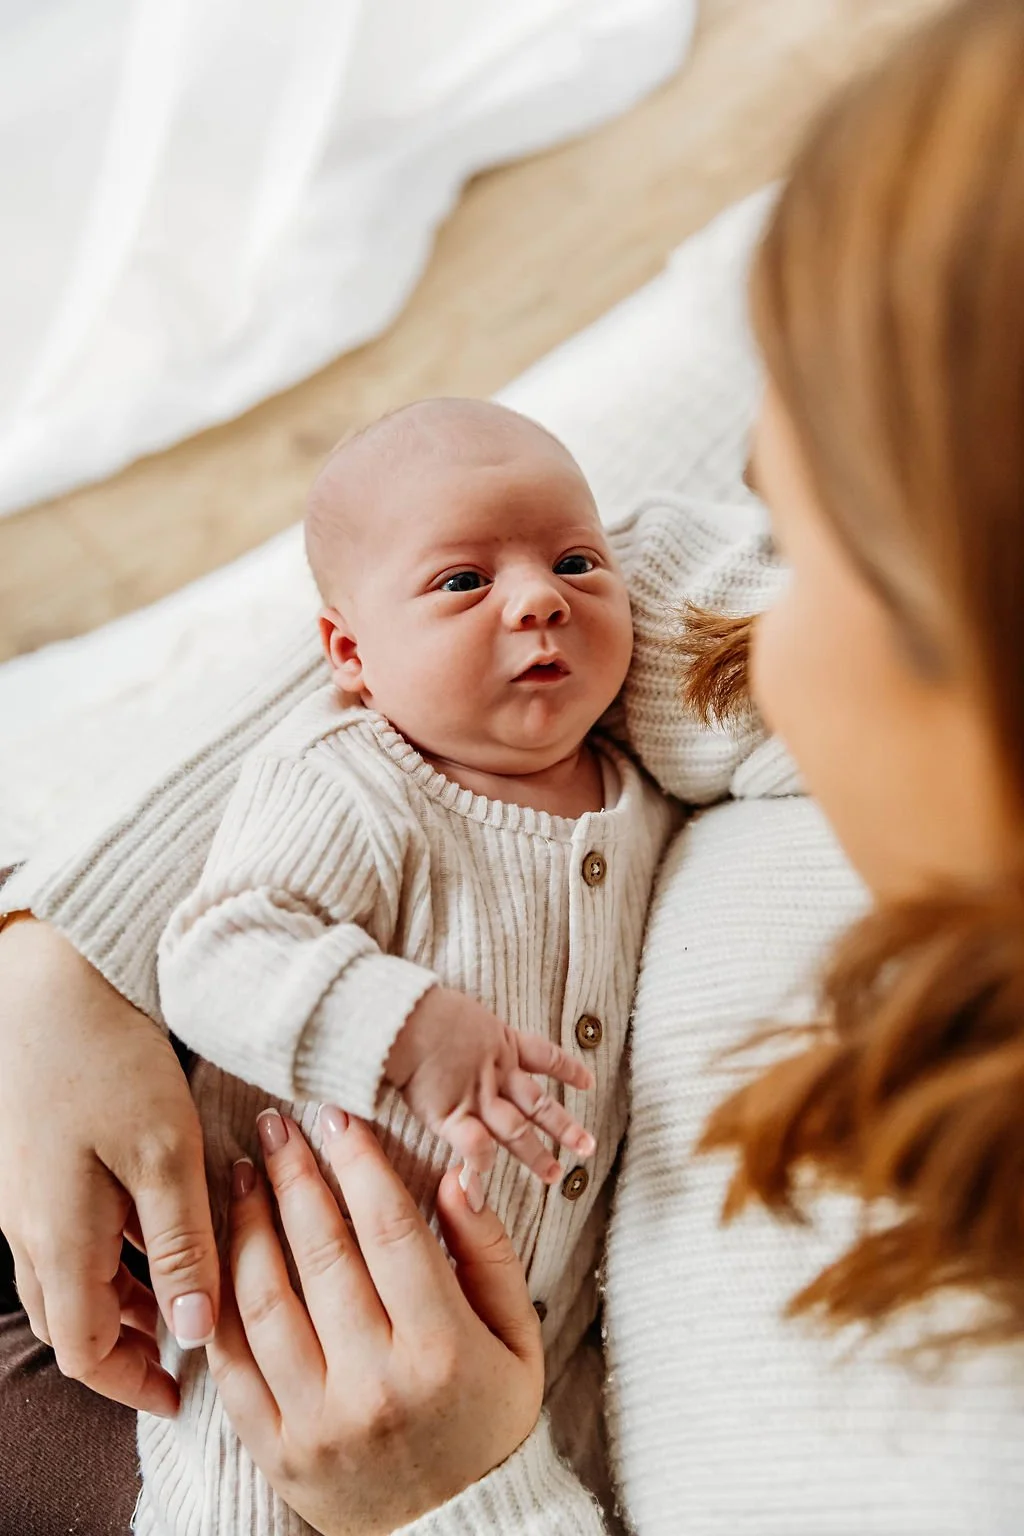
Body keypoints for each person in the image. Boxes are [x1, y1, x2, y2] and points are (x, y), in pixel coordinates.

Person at [3, 0, 1024, 1529]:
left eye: (812, 554)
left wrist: (452, 1497)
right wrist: (77, 947)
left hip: (268, 1407)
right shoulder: (791, 693)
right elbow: (476, 610)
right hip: (156, 1072)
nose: (746, 586)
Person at [144, 396, 678, 1534]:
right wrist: (407, 1024)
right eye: (461, 583)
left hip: (530, 1343)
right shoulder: (351, 778)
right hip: (291, 1307)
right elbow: (213, 953)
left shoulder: (642, 791)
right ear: (350, 654)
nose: (541, 598)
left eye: (577, 561)